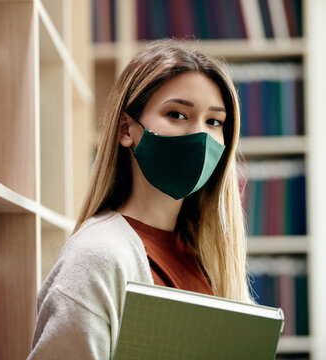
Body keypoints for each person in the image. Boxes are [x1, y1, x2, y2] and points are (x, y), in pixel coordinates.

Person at [27, 39, 253, 359]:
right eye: (176, 114)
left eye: (214, 121)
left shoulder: (206, 256)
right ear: (126, 129)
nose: (200, 136)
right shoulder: (96, 257)